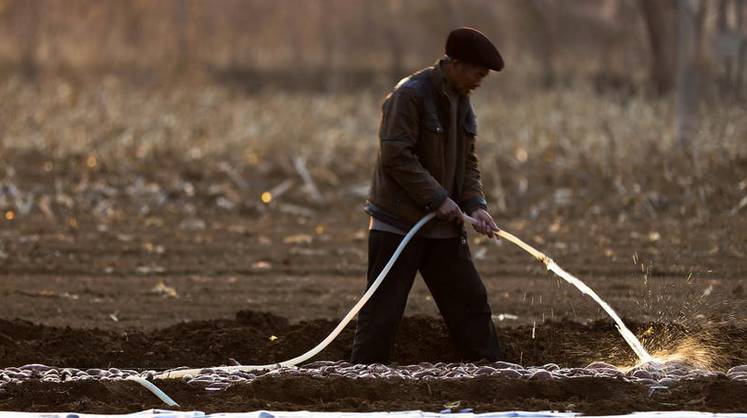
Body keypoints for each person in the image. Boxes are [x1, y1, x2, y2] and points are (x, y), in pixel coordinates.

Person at [351, 27, 505, 364]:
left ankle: (492, 377)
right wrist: (437, 198)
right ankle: (361, 382)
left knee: (471, 304)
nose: (480, 81)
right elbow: (396, 156)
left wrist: (476, 205)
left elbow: (467, 163)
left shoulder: (463, 103)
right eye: (478, 73)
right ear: (457, 64)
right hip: (398, 226)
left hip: (443, 228)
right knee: (383, 312)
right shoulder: (409, 96)